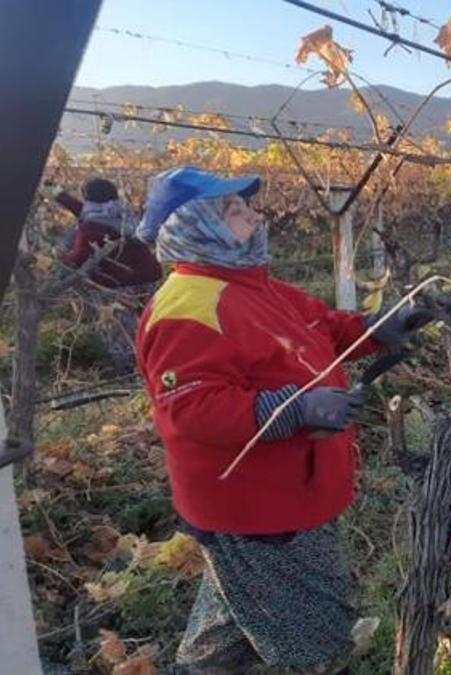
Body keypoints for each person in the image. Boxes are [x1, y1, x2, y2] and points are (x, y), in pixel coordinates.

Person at [134, 166, 433, 674]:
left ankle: (203, 666)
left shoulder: (253, 284)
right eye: (233, 209)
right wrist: (296, 407)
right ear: (194, 222)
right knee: (313, 627)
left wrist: (381, 327)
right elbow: (188, 409)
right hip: (254, 504)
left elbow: (324, 327)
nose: (254, 214)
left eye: (246, 204)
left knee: (237, 598)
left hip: (282, 490)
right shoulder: (187, 306)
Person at [45, 178, 163, 371]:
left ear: (89, 200)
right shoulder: (122, 212)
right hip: (151, 277)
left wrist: (56, 261)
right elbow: (77, 207)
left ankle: (129, 370)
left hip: (119, 285)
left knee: (121, 332)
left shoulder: (90, 227)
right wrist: (53, 189)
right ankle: (161, 356)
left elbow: (78, 259)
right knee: (154, 321)